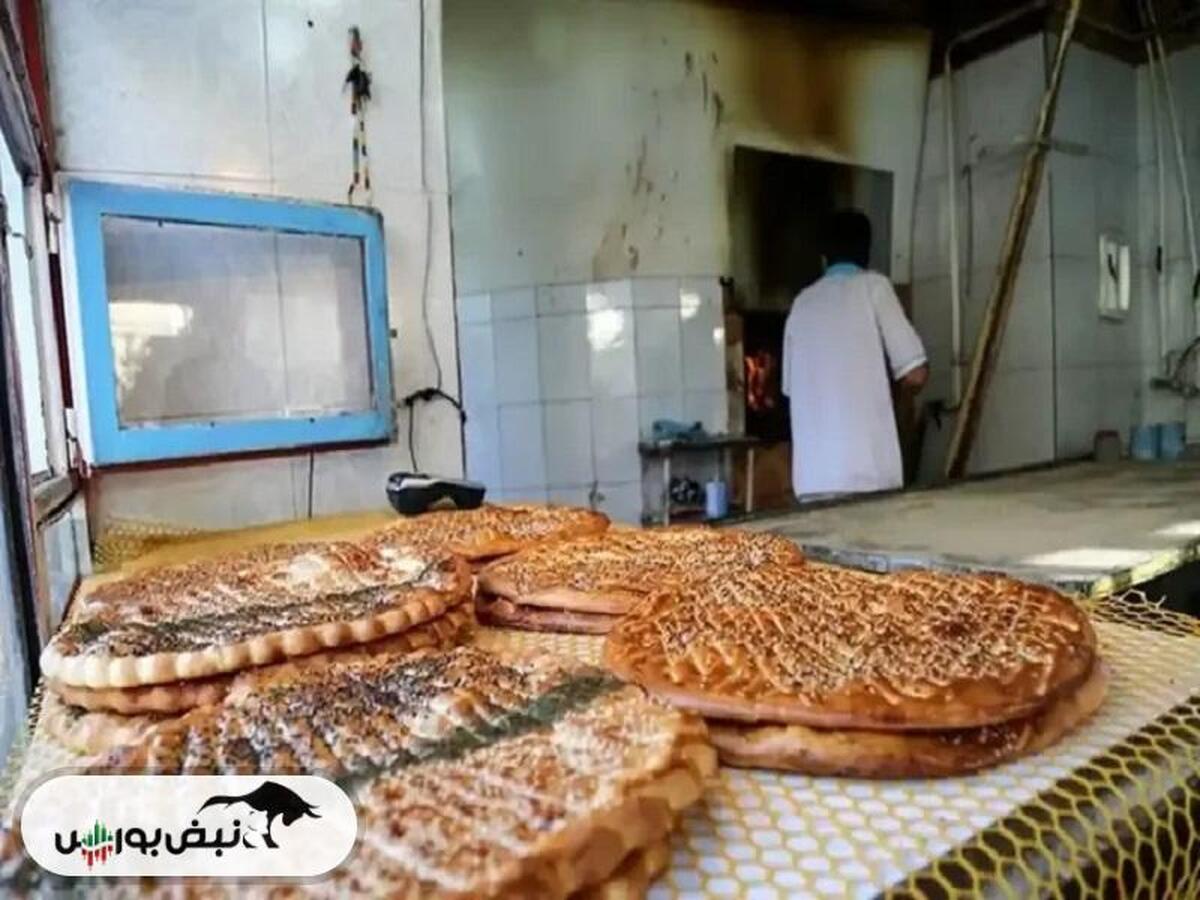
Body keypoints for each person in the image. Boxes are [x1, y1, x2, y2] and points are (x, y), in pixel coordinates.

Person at [781, 209, 928, 501]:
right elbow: (915, 373)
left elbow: (789, 390)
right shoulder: (874, 288)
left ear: (824, 257)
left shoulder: (801, 304)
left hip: (812, 482)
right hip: (867, 476)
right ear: (867, 252)